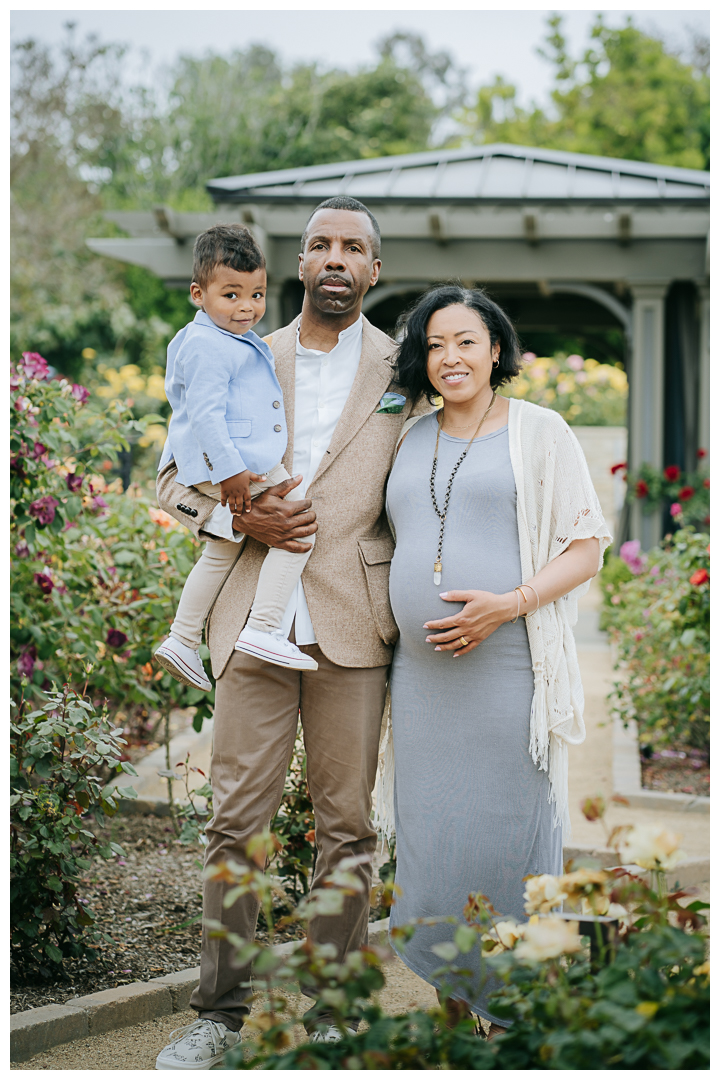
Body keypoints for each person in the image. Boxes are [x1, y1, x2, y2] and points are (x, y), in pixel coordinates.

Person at [153, 197, 431, 1070]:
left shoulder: (406, 367)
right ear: (297, 267)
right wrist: (244, 523)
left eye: (353, 247)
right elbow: (170, 478)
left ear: (374, 271)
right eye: (320, 245)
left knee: (347, 827)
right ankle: (219, 1014)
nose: (336, 258)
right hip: (249, 622)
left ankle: (339, 1005)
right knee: (237, 822)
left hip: (354, 621)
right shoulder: (234, 346)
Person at [379, 284, 611, 1035]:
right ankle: (454, 1001)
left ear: (497, 351)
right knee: (433, 838)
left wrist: (506, 603)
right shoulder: (408, 435)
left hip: (507, 673)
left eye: (466, 342)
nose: (451, 357)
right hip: (421, 688)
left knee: (508, 837)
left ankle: (511, 1010)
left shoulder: (540, 432)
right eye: (436, 344)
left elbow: (585, 548)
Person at [153, 223, 318, 690]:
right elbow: (205, 415)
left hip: (234, 463)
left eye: (257, 294)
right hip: (235, 466)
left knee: (221, 551)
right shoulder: (206, 344)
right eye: (231, 295)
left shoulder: (225, 337)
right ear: (198, 293)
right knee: (299, 530)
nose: (247, 307)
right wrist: (231, 474)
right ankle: (265, 627)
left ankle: (182, 639)